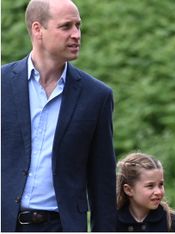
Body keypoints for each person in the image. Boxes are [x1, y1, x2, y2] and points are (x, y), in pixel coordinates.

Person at [1, 0, 116, 231]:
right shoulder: (2, 84)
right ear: (37, 29)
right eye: (66, 27)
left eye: (78, 26)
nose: (76, 35)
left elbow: (102, 183)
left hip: (63, 227)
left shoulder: (96, 96)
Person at [116, 152, 175, 232]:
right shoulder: (112, 222)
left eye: (161, 184)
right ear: (128, 190)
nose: (158, 192)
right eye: (150, 186)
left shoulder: (173, 222)